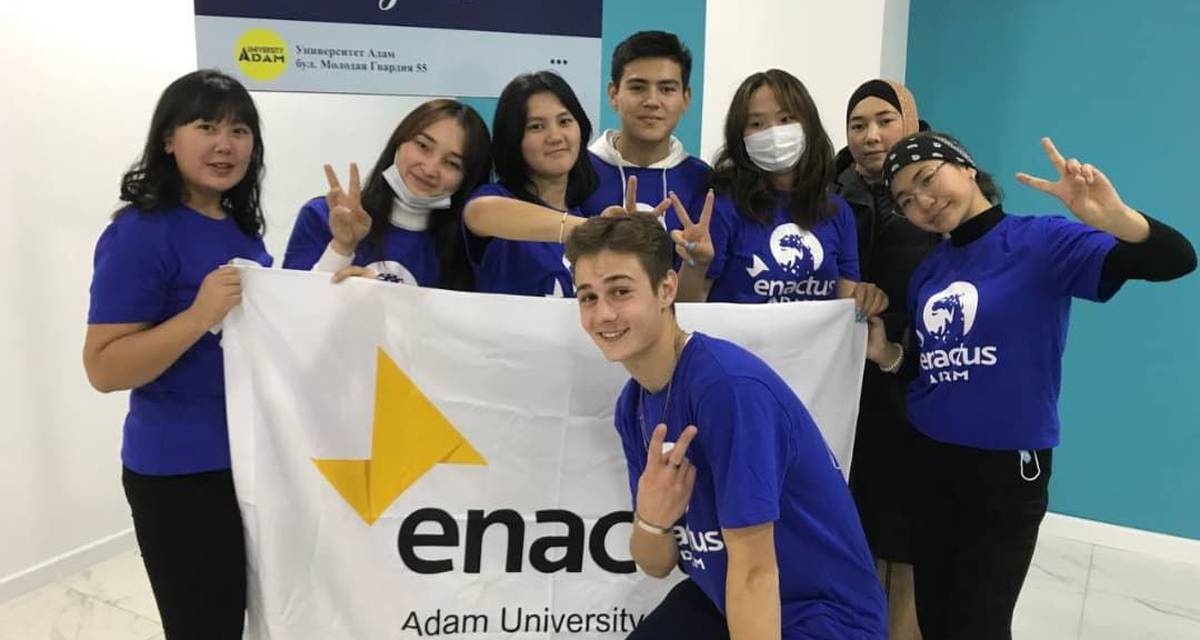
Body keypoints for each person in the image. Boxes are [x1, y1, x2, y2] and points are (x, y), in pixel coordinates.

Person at [867, 131, 1196, 639]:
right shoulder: (928, 272)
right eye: (906, 199)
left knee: (980, 624)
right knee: (934, 617)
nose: (922, 202)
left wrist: (1114, 217)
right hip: (928, 461)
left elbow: (1175, 259)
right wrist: (887, 354)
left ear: (966, 168)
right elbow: (933, 367)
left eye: (927, 179)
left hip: (1004, 470)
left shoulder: (1042, 241)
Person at [567, 214, 888, 639]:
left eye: (621, 292)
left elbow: (755, 572)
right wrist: (651, 519)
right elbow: (656, 563)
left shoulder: (726, 388)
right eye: (588, 297)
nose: (603, 313)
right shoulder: (634, 405)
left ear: (666, 289)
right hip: (724, 597)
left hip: (820, 614)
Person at [82, 69, 273, 640]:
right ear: (168, 138)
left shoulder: (240, 230)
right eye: (206, 126)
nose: (225, 144)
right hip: (180, 472)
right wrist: (197, 316)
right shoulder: (140, 233)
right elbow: (103, 368)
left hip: (251, 461)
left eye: (239, 130)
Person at [833, 78, 938, 639]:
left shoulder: (940, 190)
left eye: (884, 120)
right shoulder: (827, 192)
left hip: (913, 378)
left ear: (910, 123)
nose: (871, 135)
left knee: (909, 536)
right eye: (858, 125)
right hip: (844, 385)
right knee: (852, 523)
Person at [670, 69, 886, 319]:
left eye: (785, 119)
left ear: (808, 124)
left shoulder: (837, 211)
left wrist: (868, 301)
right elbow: (685, 313)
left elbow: (847, 309)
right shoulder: (721, 208)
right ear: (739, 136)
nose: (773, 132)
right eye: (756, 124)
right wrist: (696, 266)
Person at [281, 99, 491, 290]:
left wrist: (386, 299)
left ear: (467, 179)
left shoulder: (467, 250)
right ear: (398, 143)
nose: (430, 169)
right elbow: (293, 308)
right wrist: (342, 247)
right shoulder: (323, 215)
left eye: (452, 163)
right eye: (423, 146)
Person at [461, 71, 604, 297]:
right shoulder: (493, 198)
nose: (555, 137)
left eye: (565, 121)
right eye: (536, 126)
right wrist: (596, 230)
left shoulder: (583, 214)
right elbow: (478, 213)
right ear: (513, 138)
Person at [580, 30, 710, 224]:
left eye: (666, 89)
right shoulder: (577, 172)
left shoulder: (704, 181)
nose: (652, 101)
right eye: (638, 88)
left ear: (686, 99)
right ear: (613, 95)